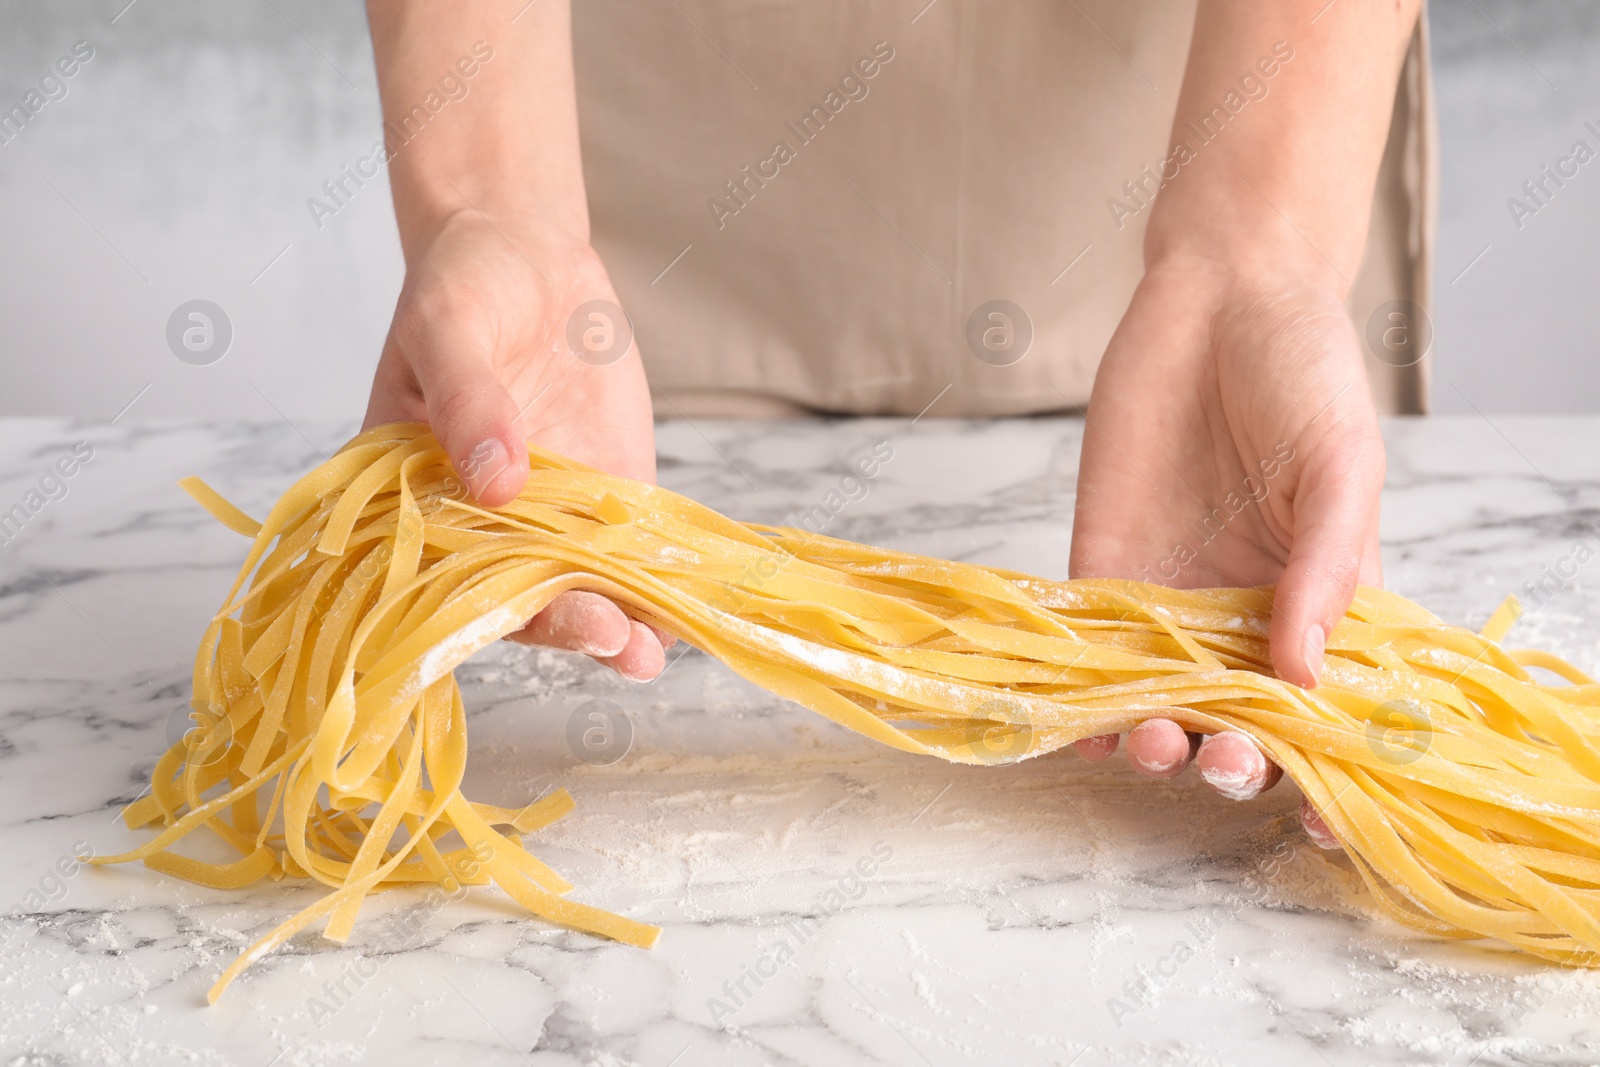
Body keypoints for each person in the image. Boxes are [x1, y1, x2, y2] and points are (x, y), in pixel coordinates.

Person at [359, 0, 1433, 848]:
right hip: (643, 175)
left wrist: (1254, 253)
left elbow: (1261, 238)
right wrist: (495, 200)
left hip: (1228, 112)